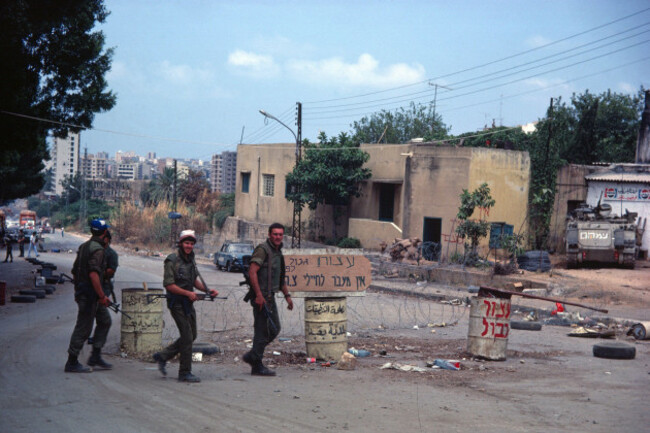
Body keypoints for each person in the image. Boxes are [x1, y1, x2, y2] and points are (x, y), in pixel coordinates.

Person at [153, 230, 218, 383]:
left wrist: (208, 291)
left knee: (192, 335)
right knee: (187, 337)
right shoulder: (172, 260)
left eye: (191, 243)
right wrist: (187, 293)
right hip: (176, 303)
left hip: (188, 302)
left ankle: (163, 356)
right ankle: (184, 372)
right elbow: (169, 285)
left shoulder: (191, 259)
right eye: (186, 243)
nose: (189, 246)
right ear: (181, 243)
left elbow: (194, 280)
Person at [242, 223, 293, 376]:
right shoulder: (263, 249)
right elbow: (252, 272)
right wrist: (258, 295)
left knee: (274, 328)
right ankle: (256, 364)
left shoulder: (278, 253)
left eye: (280, 234)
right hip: (261, 298)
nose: (277, 237)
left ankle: (253, 355)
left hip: (270, 298)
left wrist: (287, 296)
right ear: (270, 234)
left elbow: (281, 279)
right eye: (275, 234)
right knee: (261, 331)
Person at [64, 219, 113, 373]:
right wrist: (101, 296)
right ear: (104, 232)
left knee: (105, 320)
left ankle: (95, 355)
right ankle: (72, 361)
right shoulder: (97, 250)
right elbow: (93, 274)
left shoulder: (84, 246)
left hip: (85, 292)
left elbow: (74, 270)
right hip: (90, 294)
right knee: (84, 326)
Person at [88, 230, 118, 345]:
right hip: (93, 284)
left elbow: (111, 270)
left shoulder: (111, 254)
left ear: (108, 240)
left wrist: (98, 273)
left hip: (104, 285)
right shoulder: (95, 251)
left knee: (100, 311)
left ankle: (97, 339)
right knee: (96, 312)